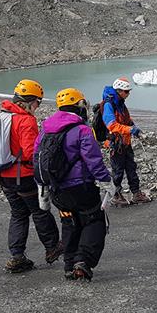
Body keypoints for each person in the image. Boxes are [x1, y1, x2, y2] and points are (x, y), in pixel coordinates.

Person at [34, 88, 115, 282]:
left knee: (69, 223)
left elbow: (36, 159)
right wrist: (107, 182)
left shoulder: (45, 129)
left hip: (57, 190)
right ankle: (83, 261)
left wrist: (42, 189)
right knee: (94, 221)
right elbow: (93, 161)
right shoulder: (82, 130)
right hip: (81, 188)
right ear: (80, 106)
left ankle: (69, 265)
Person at [0, 79, 62, 273]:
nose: (37, 106)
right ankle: (52, 248)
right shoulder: (25, 120)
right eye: (37, 102)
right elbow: (29, 152)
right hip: (23, 176)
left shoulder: (3, 116)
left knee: (18, 214)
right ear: (29, 100)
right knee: (40, 211)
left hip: (4, 175)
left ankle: (17, 256)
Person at [101, 77, 149, 205]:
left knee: (131, 168)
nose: (128, 94)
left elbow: (124, 119)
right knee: (118, 170)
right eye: (126, 91)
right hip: (116, 144)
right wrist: (130, 129)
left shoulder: (120, 102)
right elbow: (111, 125)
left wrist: (132, 125)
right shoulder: (109, 105)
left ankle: (136, 193)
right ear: (119, 91)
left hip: (125, 142)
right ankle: (116, 195)